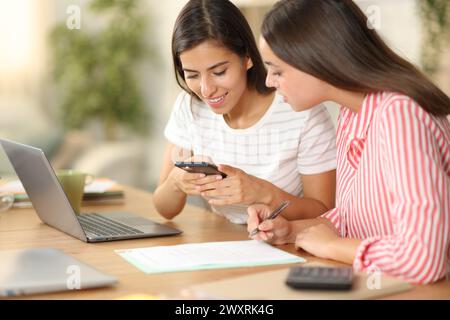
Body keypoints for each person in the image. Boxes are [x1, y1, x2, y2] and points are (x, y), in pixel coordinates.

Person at [248, 0, 450, 284]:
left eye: (277, 70)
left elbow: (423, 258)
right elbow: (358, 216)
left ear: (317, 61)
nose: (269, 81)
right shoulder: (352, 114)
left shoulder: (400, 114)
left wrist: (332, 247)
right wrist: (292, 231)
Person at [153, 0, 337, 225]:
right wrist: (176, 183)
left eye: (219, 72)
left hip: (288, 246)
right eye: (192, 75)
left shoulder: (300, 110)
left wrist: (262, 193)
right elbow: (164, 209)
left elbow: (324, 212)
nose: (206, 89)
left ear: (247, 57)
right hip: (221, 240)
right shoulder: (190, 107)